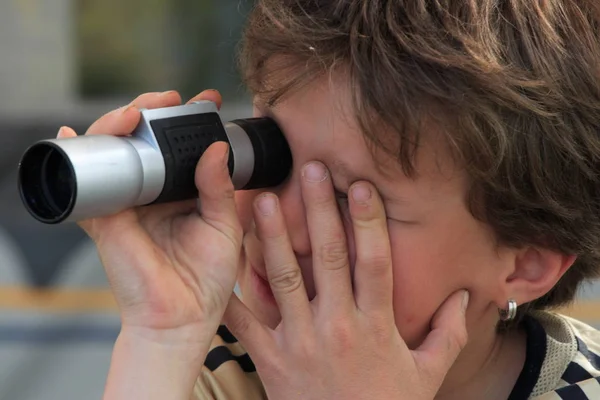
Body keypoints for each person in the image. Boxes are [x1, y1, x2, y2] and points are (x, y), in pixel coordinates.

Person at [58, 0, 600, 399]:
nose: (283, 223)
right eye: (272, 157)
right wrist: (161, 336)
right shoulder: (210, 372)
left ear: (527, 261)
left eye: (348, 199)